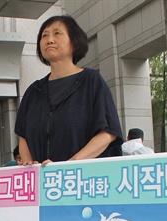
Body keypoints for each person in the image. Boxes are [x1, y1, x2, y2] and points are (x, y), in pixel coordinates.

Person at [15, 15, 123, 166]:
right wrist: (28, 164)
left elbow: (108, 133)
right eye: (44, 35)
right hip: (43, 182)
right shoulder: (34, 92)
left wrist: (71, 164)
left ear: (75, 42)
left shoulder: (92, 82)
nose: (49, 39)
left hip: (83, 179)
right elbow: (23, 136)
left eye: (57, 33)